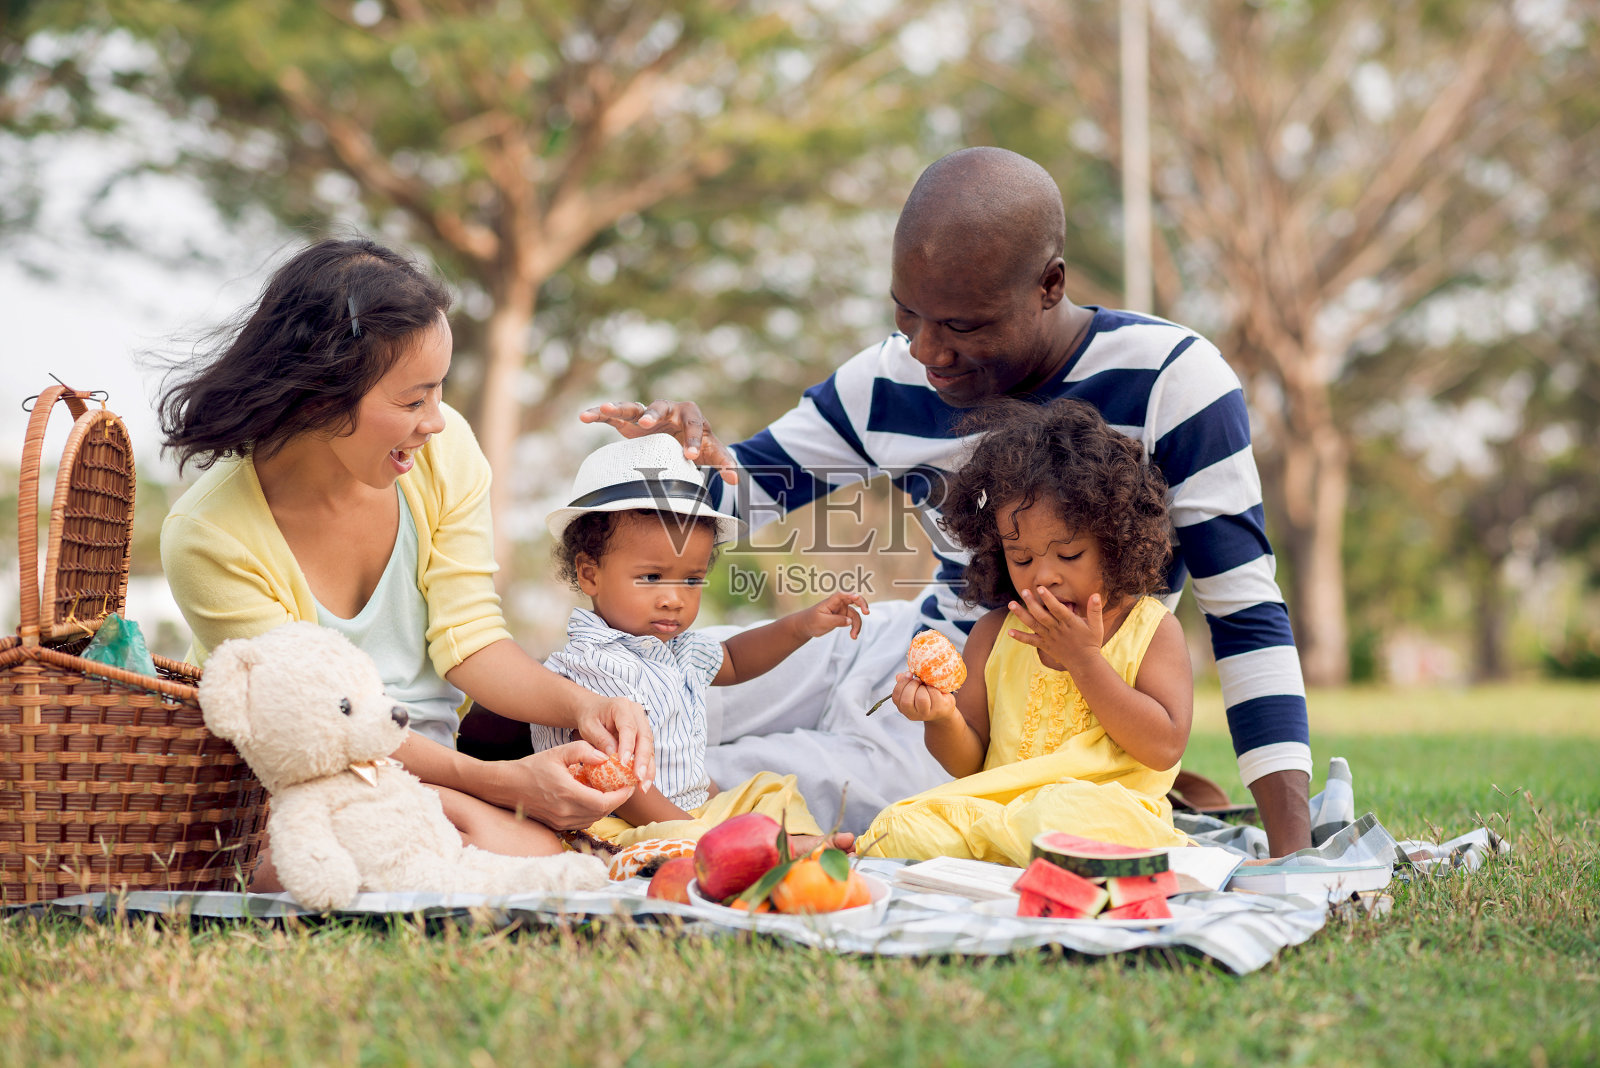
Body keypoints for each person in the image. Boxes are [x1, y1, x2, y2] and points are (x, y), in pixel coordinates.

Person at [580, 147, 1314, 855]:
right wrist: (674, 460)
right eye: (907, 315)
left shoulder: (1173, 383)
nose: (927, 353)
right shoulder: (886, 382)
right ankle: (489, 768)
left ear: (1049, 285)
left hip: (977, 713)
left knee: (695, 786)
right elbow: (736, 502)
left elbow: (1244, 612)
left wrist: (1294, 853)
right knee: (618, 715)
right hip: (884, 640)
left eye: (963, 326)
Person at [158, 237, 656, 878]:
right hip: (303, 781)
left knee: (504, 847)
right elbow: (318, 723)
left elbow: (470, 639)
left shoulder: (441, 458)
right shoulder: (209, 533)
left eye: (438, 393)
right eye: (411, 400)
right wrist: (499, 785)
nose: (436, 421)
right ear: (319, 394)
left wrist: (582, 706)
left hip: (434, 772)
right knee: (446, 846)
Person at [859, 399, 1192, 863]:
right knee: (896, 827)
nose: (1044, 577)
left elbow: (1163, 747)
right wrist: (941, 718)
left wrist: (1084, 660)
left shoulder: (1152, 630)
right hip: (1000, 813)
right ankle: (1011, 855)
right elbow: (968, 763)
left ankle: (1018, 853)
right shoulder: (995, 634)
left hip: (1102, 817)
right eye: (1022, 558)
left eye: (1069, 556)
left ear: (1116, 542)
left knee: (1062, 810)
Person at [534, 435, 863, 851]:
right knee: (675, 840)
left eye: (691, 579)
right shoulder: (590, 665)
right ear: (590, 574)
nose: (675, 598)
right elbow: (623, 785)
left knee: (769, 789)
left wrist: (802, 625)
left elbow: (735, 659)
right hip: (612, 820)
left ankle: (784, 845)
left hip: (688, 816)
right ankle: (757, 851)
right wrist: (709, 836)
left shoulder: (676, 647)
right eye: (652, 577)